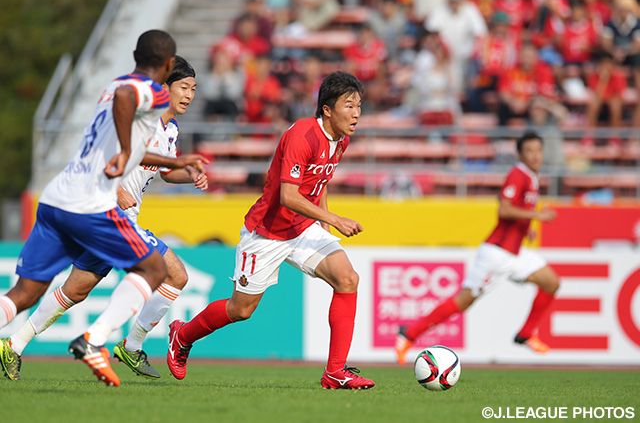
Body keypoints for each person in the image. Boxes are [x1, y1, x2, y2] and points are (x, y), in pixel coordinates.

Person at [0, 30, 205, 386]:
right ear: (167, 67)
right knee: (162, 270)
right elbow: (127, 117)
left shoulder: (125, 93)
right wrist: (125, 156)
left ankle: (14, 344)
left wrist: (183, 169)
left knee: (45, 292)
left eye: (192, 89)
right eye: (184, 86)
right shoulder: (146, 93)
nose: (188, 94)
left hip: (59, 198)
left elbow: (144, 156)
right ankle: (102, 342)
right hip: (100, 207)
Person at [166, 72, 376, 390]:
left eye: (359, 105)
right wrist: (333, 219)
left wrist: (320, 220)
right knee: (241, 309)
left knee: (348, 278)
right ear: (328, 110)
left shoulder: (341, 138)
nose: (356, 113)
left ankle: (335, 372)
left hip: (302, 227)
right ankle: (182, 336)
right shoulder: (301, 135)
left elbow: (319, 182)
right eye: (349, 105)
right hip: (267, 232)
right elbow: (288, 196)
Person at [395, 131, 561, 365]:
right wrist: (537, 216)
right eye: (530, 151)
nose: (535, 155)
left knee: (551, 282)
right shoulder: (518, 174)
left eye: (538, 150)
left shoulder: (530, 177)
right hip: (497, 254)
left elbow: (505, 202)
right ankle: (408, 335)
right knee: (464, 301)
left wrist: (526, 227)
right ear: (521, 154)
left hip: (514, 252)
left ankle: (526, 334)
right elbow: (503, 209)